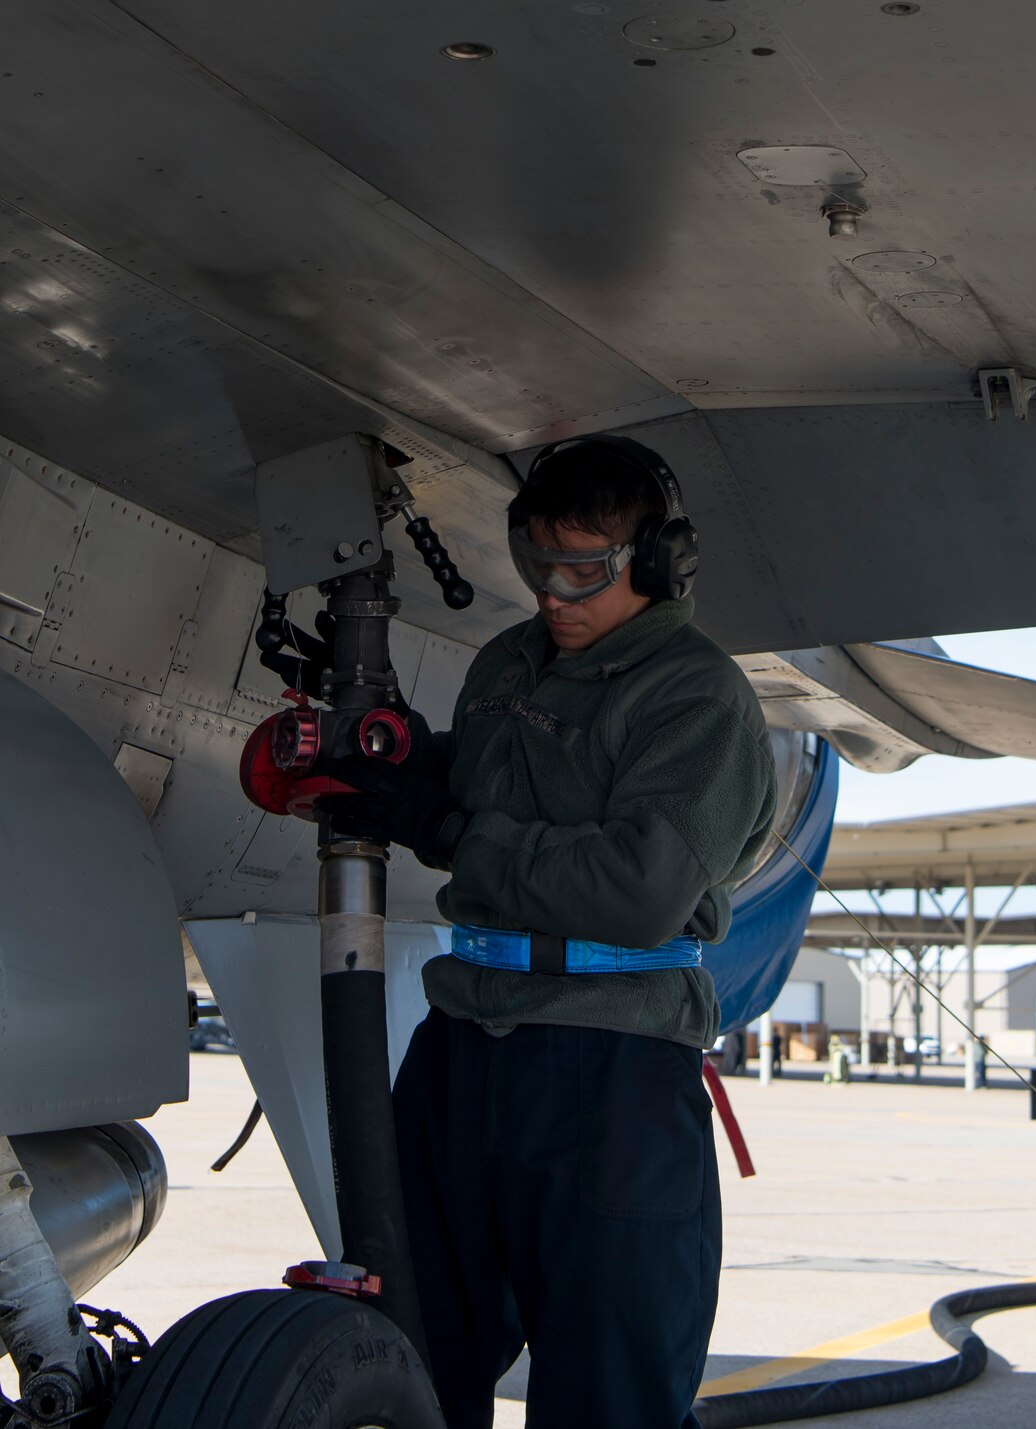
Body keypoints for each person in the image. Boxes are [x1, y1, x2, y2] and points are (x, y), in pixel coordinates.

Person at [327, 434, 776, 1427]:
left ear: (656, 564)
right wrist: (410, 767)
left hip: (607, 1062)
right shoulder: (508, 664)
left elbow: (635, 887)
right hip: (462, 1053)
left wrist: (447, 831)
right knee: (416, 1348)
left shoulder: (695, 695)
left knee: (607, 1383)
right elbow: (497, 780)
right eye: (537, 565)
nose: (555, 594)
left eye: (586, 569)